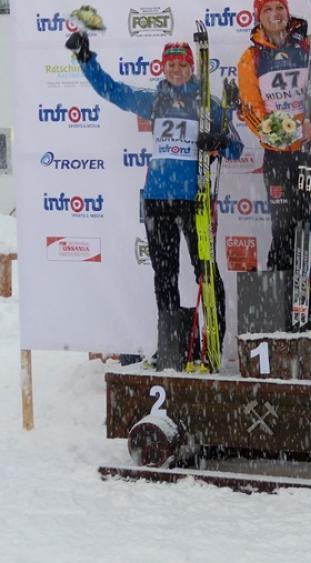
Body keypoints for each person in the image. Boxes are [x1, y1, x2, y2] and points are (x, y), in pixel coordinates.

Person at [66, 32, 243, 366]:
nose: (176, 70)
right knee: (164, 276)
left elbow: (236, 147)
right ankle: (172, 346)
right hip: (158, 200)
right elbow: (112, 91)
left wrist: (217, 140)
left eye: (182, 64)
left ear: (192, 66)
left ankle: (212, 345)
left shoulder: (209, 104)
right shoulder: (154, 99)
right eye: (171, 64)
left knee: (206, 272)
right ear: (163, 67)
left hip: (194, 199)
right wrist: (86, 59)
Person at [237, 0, 311, 328]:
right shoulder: (251, 57)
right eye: (267, 11)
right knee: (283, 234)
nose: (275, 16)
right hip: (280, 156)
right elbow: (251, 108)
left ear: (288, 12)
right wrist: (275, 132)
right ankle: (281, 318)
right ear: (259, 17)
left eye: (279, 9)